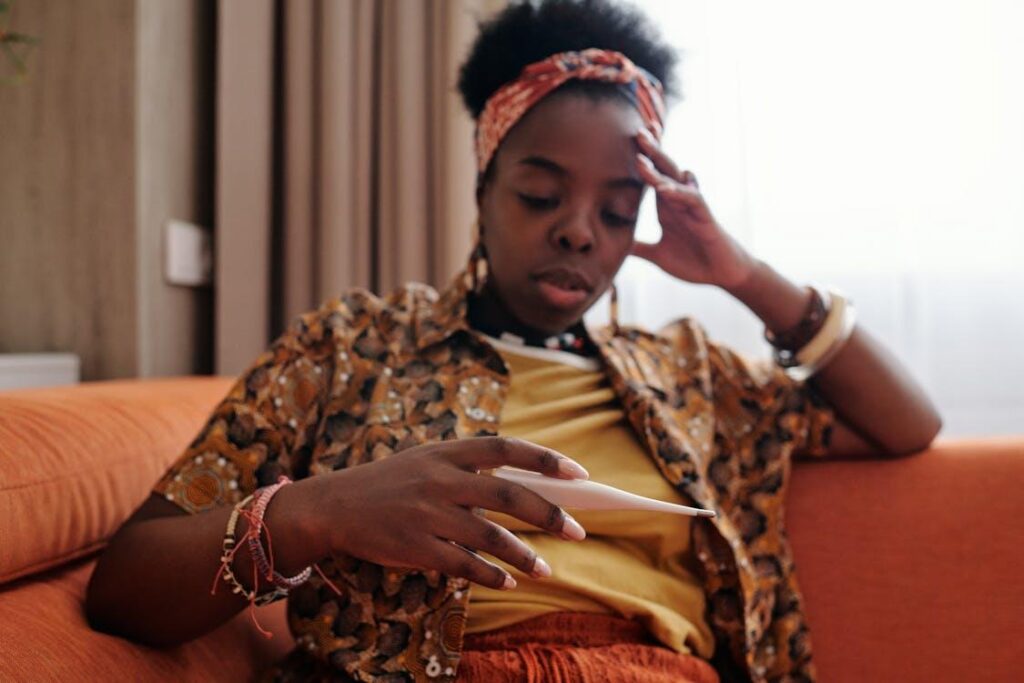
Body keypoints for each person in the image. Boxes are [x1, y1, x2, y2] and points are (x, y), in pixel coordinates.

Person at [85, 1, 942, 681]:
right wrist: (320, 510)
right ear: (485, 186)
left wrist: (744, 274)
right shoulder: (352, 346)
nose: (579, 231)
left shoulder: (687, 376)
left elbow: (906, 424)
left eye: (617, 211)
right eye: (540, 195)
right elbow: (127, 587)